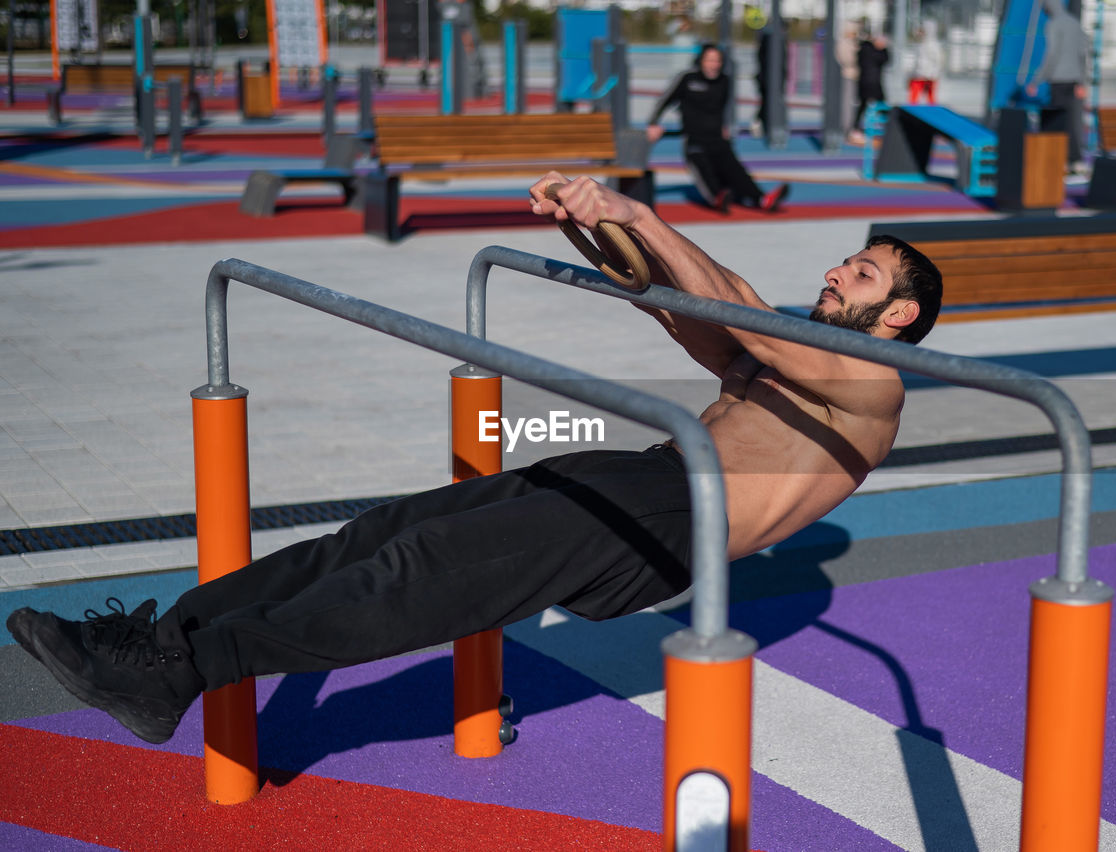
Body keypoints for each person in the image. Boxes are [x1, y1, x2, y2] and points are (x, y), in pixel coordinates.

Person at [7, 173, 943, 747]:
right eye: (845, 261)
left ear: (899, 313)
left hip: (673, 525)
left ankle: (186, 670)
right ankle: (155, 642)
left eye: (860, 273)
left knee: (423, 573)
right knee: (381, 532)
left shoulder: (874, 388)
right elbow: (693, 301)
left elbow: (739, 310)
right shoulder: (779, 346)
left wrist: (642, 215)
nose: (834, 271)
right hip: (645, 475)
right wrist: (595, 221)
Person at [647, 43, 791, 214]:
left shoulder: (724, 81)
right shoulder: (687, 79)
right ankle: (717, 197)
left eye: (717, 61)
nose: (713, 64)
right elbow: (664, 101)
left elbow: (724, 108)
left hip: (717, 137)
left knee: (736, 170)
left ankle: (761, 199)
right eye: (710, 60)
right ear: (701, 61)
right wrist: (653, 123)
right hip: (694, 139)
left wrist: (725, 127)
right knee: (704, 170)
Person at [1024, 0, 1089, 174]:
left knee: (1057, 121)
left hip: (1059, 80)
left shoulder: (1053, 24)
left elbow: (1052, 54)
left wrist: (1036, 80)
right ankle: (1075, 159)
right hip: (1074, 80)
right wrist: (1083, 82)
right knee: (1072, 120)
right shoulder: (1075, 23)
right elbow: (1083, 54)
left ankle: (1059, 160)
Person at [850, 30, 890, 145]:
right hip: (869, 82)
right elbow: (881, 59)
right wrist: (882, 48)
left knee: (868, 106)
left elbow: (886, 60)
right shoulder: (868, 50)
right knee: (871, 105)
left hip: (871, 82)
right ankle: (856, 128)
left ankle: (857, 128)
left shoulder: (868, 50)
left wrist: (883, 49)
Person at [754, 20, 788, 138]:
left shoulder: (780, 41)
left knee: (772, 101)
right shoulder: (770, 40)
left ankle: (765, 123)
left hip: (775, 76)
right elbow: (762, 59)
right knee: (767, 101)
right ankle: (760, 122)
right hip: (767, 77)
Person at [908, 20, 945, 105]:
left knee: (930, 99)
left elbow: (938, 61)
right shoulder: (919, 44)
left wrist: (933, 74)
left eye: (922, 31)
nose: (919, 33)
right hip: (918, 75)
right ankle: (912, 113)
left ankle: (931, 114)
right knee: (913, 98)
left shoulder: (933, 45)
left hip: (929, 76)